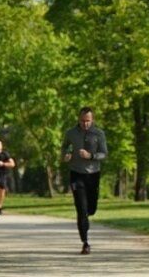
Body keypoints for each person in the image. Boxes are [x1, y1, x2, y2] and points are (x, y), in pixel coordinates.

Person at [61, 107, 108, 255]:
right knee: (81, 209)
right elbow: (64, 147)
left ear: (92, 120)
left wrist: (91, 156)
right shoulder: (71, 133)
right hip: (76, 174)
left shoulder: (99, 134)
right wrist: (66, 155)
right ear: (78, 119)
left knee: (91, 209)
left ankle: (86, 218)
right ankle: (85, 242)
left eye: (88, 121)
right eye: (82, 120)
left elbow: (104, 154)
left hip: (93, 174)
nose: (85, 124)